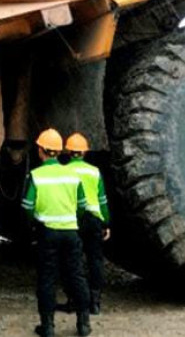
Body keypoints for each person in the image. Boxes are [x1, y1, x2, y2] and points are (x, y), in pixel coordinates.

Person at [22, 128, 92, 337]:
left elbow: (27, 206)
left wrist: (34, 224)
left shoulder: (36, 176)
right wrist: (72, 220)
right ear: (61, 151)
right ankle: (83, 324)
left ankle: (48, 326)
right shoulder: (72, 175)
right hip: (71, 233)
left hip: (47, 233)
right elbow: (82, 205)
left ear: (41, 151)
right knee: (76, 276)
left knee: (47, 278)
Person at [62, 132, 110, 315]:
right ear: (84, 153)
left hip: (72, 220)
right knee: (95, 260)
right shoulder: (94, 171)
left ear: (68, 151)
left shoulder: (64, 171)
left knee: (71, 261)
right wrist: (106, 223)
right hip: (93, 220)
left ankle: (73, 300)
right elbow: (102, 200)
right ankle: (95, 302)